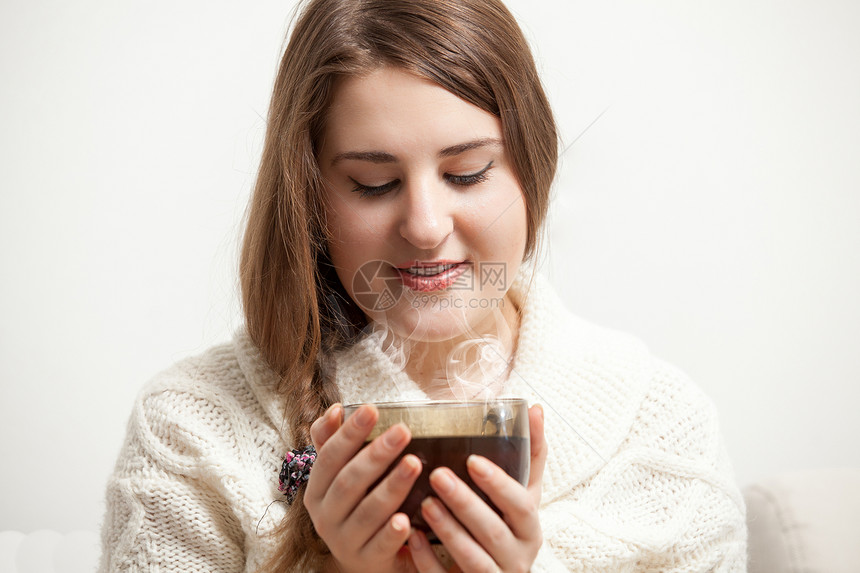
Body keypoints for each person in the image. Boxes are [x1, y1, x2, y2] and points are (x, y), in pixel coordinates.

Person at [100, 0, 747, 571]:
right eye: (374, 184)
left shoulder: (660, 429)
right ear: (309, 196)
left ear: (532, 168)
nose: (426, 226)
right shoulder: (190, 427)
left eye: (467, 173)